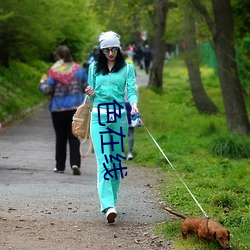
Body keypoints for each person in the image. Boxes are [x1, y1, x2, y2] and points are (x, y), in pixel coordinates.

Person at [85, 31, 138, 223]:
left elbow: (131, 90)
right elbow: (91, 97)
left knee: (115, 162)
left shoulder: (127, 68)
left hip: (119, 117)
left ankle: (112, 201)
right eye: (106, 50)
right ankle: (107, 205)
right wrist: (90, 92)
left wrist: (133, 104)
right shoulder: (93, 68)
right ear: (101, 50)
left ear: (119, 48)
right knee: (104, 160)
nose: (110, 53)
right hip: (98, 117)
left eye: (114, 49)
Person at [39, 45, 88, 175]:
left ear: (58, 57)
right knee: (74, 137)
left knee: (60, 138)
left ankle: (60, 166)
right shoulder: (79, 70)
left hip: (58, 109)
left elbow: (47, 90)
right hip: (75, 109)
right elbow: (86, 87)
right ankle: (75, 163)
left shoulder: (54, 71)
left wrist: (42, 83)